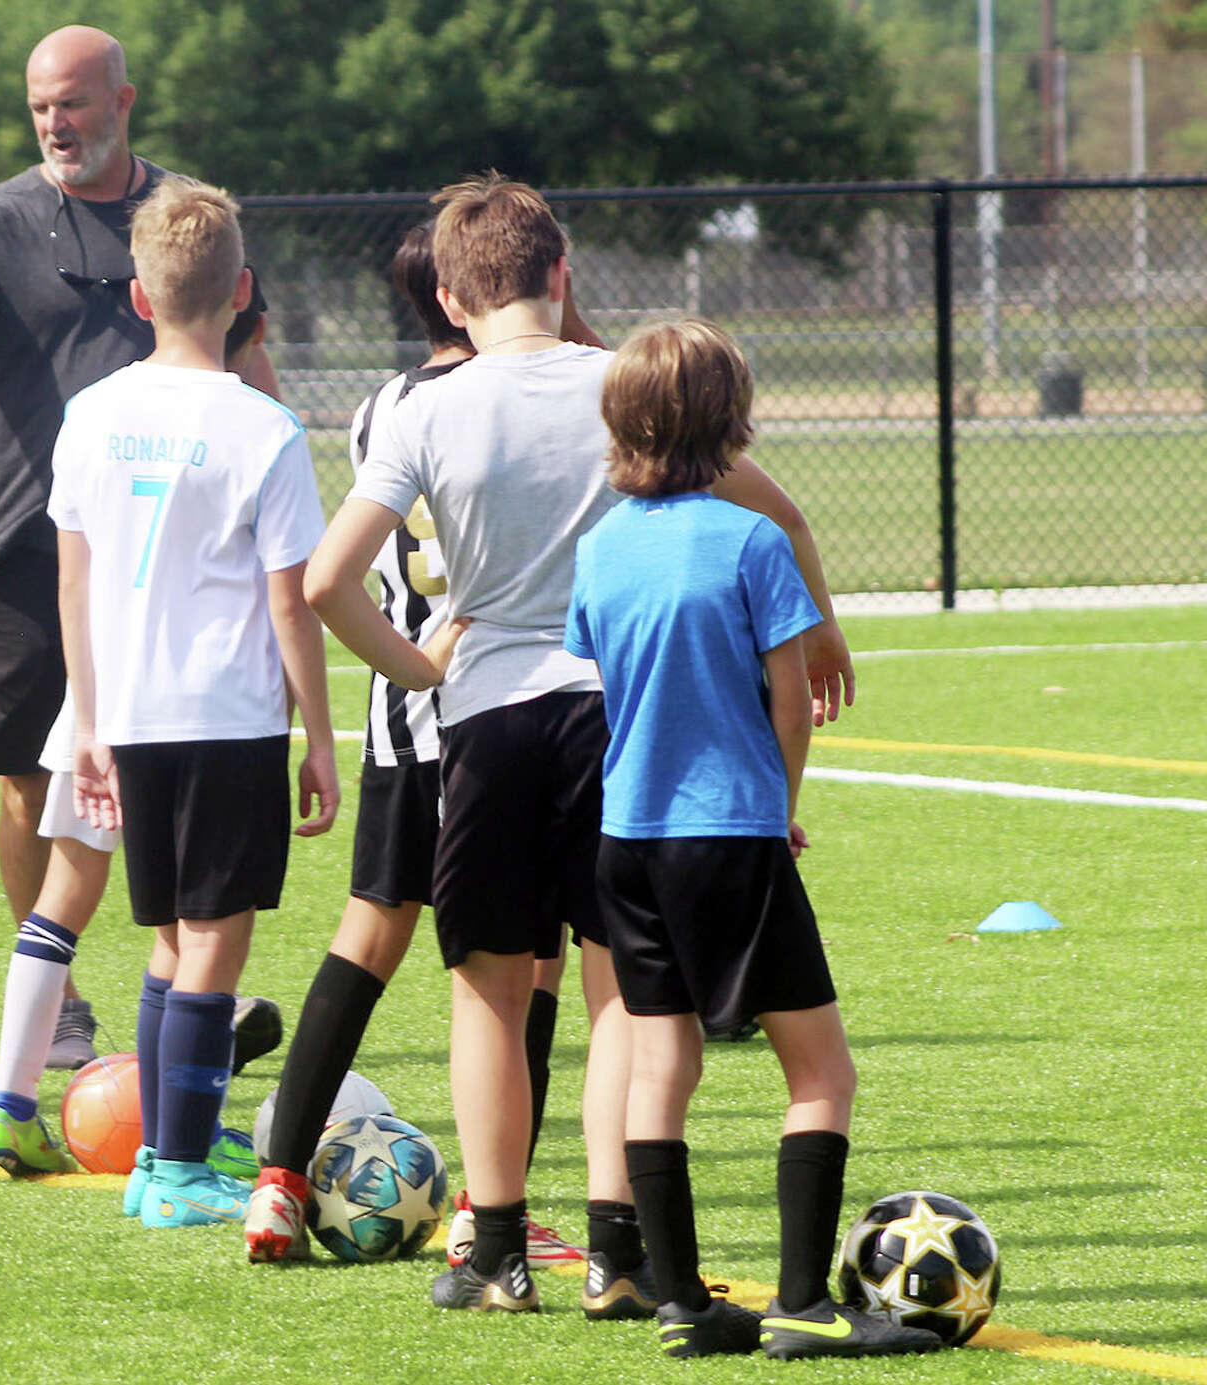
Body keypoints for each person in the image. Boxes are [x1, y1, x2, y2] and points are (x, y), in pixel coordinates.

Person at [305, 176, 857, 1315]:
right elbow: (776, 508)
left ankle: (495, 1251)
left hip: (493, 716)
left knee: (489, 995)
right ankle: (620, 1248)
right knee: (621, 998)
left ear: (452, 299)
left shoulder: (425, 409)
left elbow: (324, 580)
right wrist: (823, 619)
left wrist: (419, 667)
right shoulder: (622, 386)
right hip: (621, 715)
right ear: (562, 275)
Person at [0, 26, 279, 1062]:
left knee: (170, 768)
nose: (56, 124)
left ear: (123, 99)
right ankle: (56, 999)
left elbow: (254, 367)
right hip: (29, 552)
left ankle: (189, 971)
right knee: (31, 780)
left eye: (72, 102)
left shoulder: (191, 216)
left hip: (175, 562)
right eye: (40, 108)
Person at [564, 318, 939, 1360]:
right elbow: (790, 696)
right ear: (731, 427)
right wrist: (775, 803)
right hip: (726, 831)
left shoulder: (600, 548)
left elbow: (608, 679)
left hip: (625, 837)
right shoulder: (752, 541)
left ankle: (681, 1296)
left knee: (660, 1058)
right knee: (820, 1071)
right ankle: (804, 1304)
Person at [247, 221, 584, 1267]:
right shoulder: (545, 389)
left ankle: (277, 1181)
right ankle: (500, 1208)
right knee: (527, 964)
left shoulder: (385, 406)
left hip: (406, 716)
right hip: (507, 705)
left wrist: (404, 663)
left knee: (366, 945)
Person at [49, 176, 337, 1227]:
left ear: (139, 294)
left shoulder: (91, 414)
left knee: (174, 934)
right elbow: (292, 600)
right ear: (242, 292)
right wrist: (319, 734)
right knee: (215, 937)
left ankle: (158, 1159)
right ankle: (173, 1170)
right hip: (226, 712)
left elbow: (73, 583)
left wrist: (88, 719)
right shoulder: (265, 427)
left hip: (127, 712)